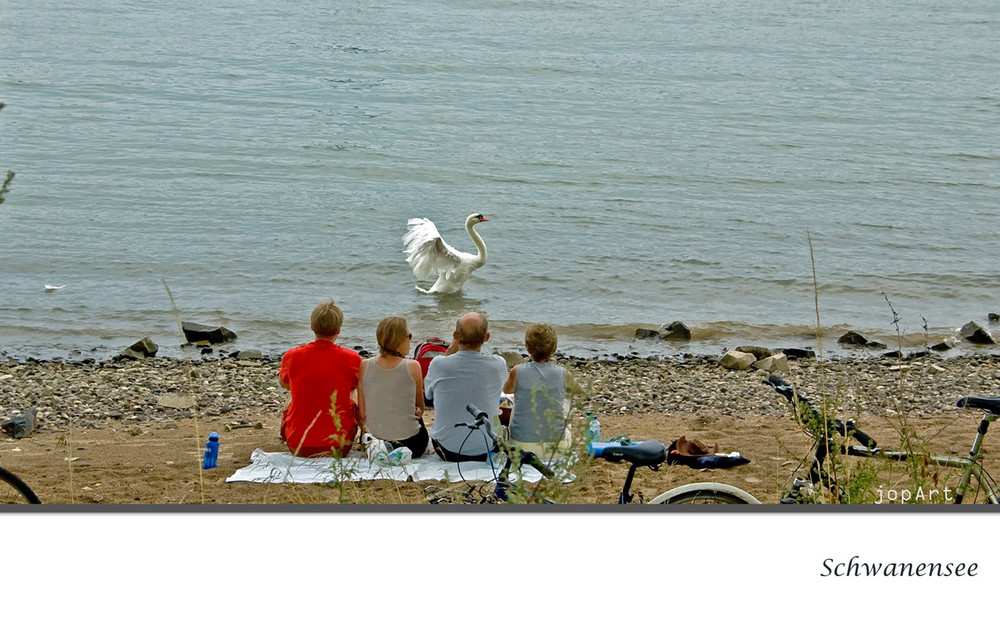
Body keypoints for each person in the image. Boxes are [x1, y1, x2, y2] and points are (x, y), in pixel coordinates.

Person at [278, 299, 362, 457]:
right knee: (352, 391)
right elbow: (358, 385)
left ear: (312, 327)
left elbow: (284, 383)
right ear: (338, 330)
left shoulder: (292, 356)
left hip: (298, 445)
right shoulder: (352, 359)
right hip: (339, 446)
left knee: (292, 392)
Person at [424, 311, 507, 462]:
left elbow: (428, 395)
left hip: (446, 450)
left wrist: (449, 351)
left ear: (455, 336)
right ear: (486, 337)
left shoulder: (439, 364)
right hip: (488, 448)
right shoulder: (498, 364)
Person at [503, 324, 581, 458]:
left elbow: (506, 390)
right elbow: (580, 391)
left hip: (521, 446)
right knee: (566, 399)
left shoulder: (517, 371)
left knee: (514, 397)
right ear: (554, 349)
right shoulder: (563, 373)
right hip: (556, 448)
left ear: (528, 349)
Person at [358, 316, 429, 458]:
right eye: (409, 336)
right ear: (399, 340)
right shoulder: (413, 366)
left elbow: (362, 413)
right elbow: (420, 407)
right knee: (416, 416)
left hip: (376, 443)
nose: (411, 340)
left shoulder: (364, 365)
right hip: (412, 444)